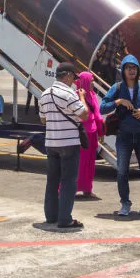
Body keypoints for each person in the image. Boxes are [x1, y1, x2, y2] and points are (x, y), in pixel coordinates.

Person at [100, 55, 140, 216]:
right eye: (128, 68)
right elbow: (102, 108)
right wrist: (118, 102)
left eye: (134, 68)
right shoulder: (117, 88)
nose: (132, 70)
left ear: (138, 70)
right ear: (124, 71)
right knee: (121, 171)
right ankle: (125, 203)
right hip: (124, 135)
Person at [39, 62, 89, 229]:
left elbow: (43, 119)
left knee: (52, 180)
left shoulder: (44, 94)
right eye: (73, 77)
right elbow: (85, 115)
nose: (74, 81)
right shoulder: (69, 94)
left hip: (51, 142)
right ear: (67, 75)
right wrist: (82, 97)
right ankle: (65, 219)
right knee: (68, 181)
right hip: (68, 142)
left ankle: (51, 216)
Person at [75, 71, 105, 199]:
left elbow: (97, 116)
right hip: (83, 133)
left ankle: (87, 188)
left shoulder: (92, 94)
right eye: (91, 80)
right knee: (80, 163)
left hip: (92, 133)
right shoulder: (77, 96)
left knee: (90, 163)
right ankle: (73, 188)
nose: (93, 82)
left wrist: (100, 132)